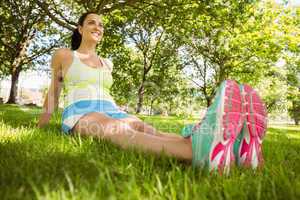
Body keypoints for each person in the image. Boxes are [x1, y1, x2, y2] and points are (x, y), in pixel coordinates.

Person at [37, 12, 267, 174]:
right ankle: (196, 152)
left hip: (112, 108)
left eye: (101, 25)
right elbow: (54, 93)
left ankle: (236, 151)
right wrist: (42, 127)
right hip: (82, 112)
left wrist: (121, 112)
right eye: (91, 23)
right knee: (116, 129)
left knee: (147, 128)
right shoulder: (64, 55)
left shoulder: (107, 62)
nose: (98, 27)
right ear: (80, 28)